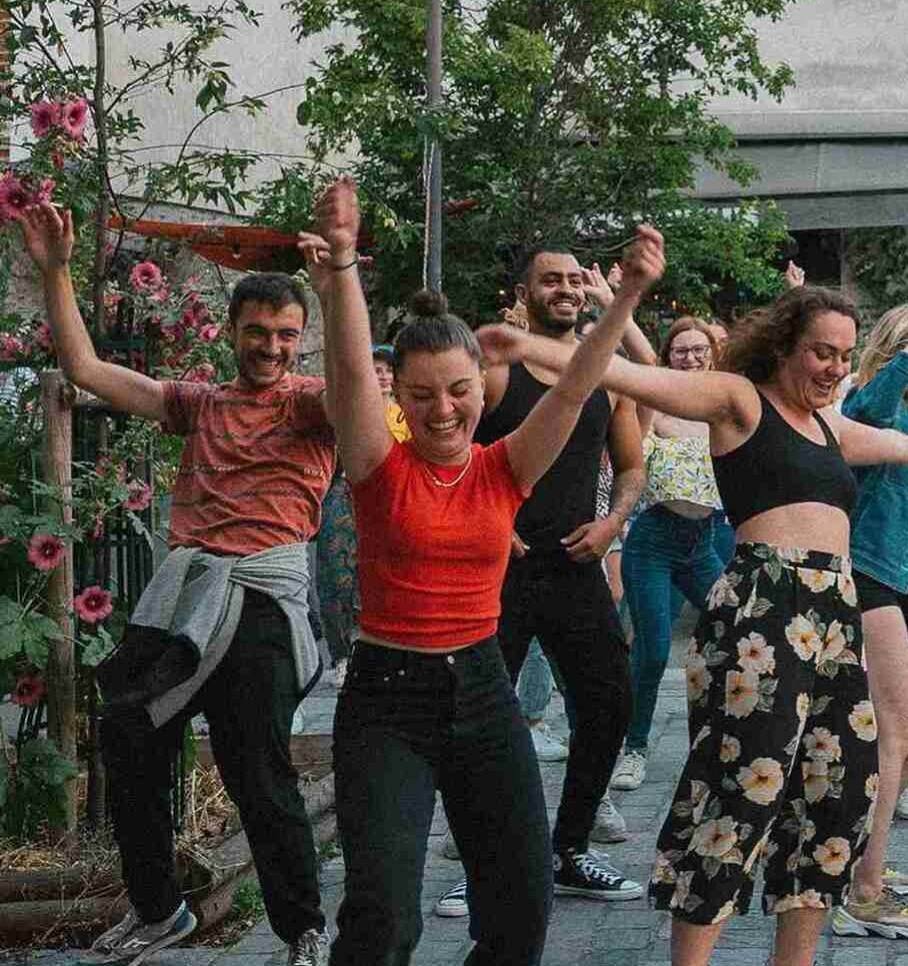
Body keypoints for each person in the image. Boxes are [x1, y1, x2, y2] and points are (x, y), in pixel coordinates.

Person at [495, 284, 908, 966]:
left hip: (835, 617)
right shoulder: (741, 401)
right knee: (743, 790)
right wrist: (530, 346)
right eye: (821, 353)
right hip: (762, 614)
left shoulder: (831, 426)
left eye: (843, 356)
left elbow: (907, 447)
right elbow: (631, 374)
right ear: (785, 345)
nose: (832, 368)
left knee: (837, 792)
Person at [300, 180, 658, 966]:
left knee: (520, 915)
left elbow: (574, 386)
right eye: (421, 395)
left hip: (485, 695)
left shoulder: (505, 467)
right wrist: (344, 268)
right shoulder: (375, 465)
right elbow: (354, 376)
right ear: (401, 397)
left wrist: (625, 296)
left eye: (459, 391)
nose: (442, 411)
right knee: (385, 920)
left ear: (480, 389)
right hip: (388, 701)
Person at [20, 201, 335, 966]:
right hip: (188, 592)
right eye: (257, 332)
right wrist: (58, 270)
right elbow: (88, 371)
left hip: (262, 596)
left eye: (287, 335)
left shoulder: (313, 405)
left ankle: (304, 931)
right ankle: (159, 910)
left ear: (301, 340)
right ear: (233, 332)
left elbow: (360, 398)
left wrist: (340, 281)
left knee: (254, 766)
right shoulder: (199, 403)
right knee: (129, 731)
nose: (271, 348)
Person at [434, 247, 650, 917]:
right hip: (499, 571)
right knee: (475, 722)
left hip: (577, 565)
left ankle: (570, 849)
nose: (563, 289)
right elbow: (449, 454)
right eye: (548, 280)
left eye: (573, 280)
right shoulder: (495, 373)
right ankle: (483, 865)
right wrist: (493, 526)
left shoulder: (604, 376)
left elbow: (633, 464)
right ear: (524, 291)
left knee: (611, 702)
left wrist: (613, 521)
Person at [832, 283, 908, 940]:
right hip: (866, 581)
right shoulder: (867, 403)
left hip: (894, 582)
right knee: (904, 730)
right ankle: (863, 888)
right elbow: (879, 395)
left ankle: (854, 856)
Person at [610, 317, 728, 796]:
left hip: (703, 543)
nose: (692, 357)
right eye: (681, 351)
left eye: (700, 349)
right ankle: (634, 749)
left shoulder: (720, 407)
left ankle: (720, 739)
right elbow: (642, 364)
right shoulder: (654, 407)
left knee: (736, 626)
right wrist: (619, 307)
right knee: (654, 650)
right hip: (654, 543)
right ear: (668, 357)